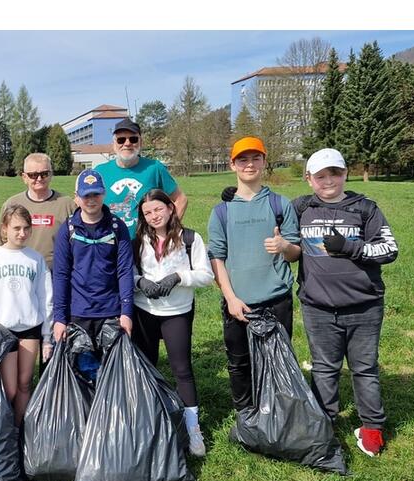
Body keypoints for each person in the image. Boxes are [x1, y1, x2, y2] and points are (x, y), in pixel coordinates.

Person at [293, 148, 399, 457]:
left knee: (364, 369)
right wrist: (236, 201)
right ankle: (324, 425)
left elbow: (389, 249)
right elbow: (268, 218)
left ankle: (372, 431)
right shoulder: (301, 207)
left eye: (335, 173)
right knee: (324, 369)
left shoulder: (365, 208)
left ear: (345, 174)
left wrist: (351, 247)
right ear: (309, 179)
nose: (329, 181)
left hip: (364, 306)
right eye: (321, 176)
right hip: (318, 306)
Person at [207, 136, 301, 414]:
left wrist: (284, 246)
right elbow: (216, 259)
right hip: (239, 303)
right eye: (243, 159)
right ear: (232, 165)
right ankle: (246, 414)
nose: (249, 164)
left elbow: (295, 253)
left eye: (255, 158)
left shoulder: (280, 204)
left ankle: (278, 413)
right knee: (240, 363)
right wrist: (230, 299)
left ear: (264, 162)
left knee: (278, 360)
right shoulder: (221, 212)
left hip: (276, 300)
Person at [131, 189, 214, 456]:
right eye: (147, 212)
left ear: (170, 208)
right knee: (146, 368)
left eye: (158, 209)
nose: (154, 216)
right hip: (144, 310)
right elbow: (128, 273)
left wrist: (179, 277)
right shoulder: (137, 240)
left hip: (177, 312)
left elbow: (206, 275)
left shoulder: (189, 238)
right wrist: (140, 283)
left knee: (182, 369)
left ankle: (193, 428)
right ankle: (147, 422)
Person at [52, 169, 134, 379]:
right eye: (86, 195)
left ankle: (108, 402)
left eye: (96, 194)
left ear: (104, 194)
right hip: (78, 313)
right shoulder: (67, 230)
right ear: (77, 197)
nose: (91, 200)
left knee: (112, 374)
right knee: (83, 373)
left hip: (111, 312)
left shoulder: (117, 227)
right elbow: (61, 275)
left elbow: (125, 271)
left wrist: (126, 313)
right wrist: (59, 318)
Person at [0, 205, 53, 424]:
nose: (22, 233)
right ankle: (3, 429)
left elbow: (45, 298)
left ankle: (19, 430)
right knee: (9, 388)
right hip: (3, 330)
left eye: (26, 228)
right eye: (16, 228)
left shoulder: (35, 259)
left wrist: (47, 337)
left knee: (25, 383)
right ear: (5, 228)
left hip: (30, 328)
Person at [98, 119, 188, 237]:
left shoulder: (155, 168)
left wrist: (168, 233)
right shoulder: (99, 172)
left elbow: (181, 200)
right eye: (121, 140)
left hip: (146, 244)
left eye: (133, 139)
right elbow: (81, 203)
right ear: (114, 144)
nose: (127, 143)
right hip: (110, 243)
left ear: (141, 142)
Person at [0, 153, 73, 267]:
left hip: (56, 273)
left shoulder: (67, 204)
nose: (39, 179)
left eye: (44, 174)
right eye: (33, 175)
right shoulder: (12, 204)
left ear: (51, 175)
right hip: (19, 272)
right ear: (24, 177)